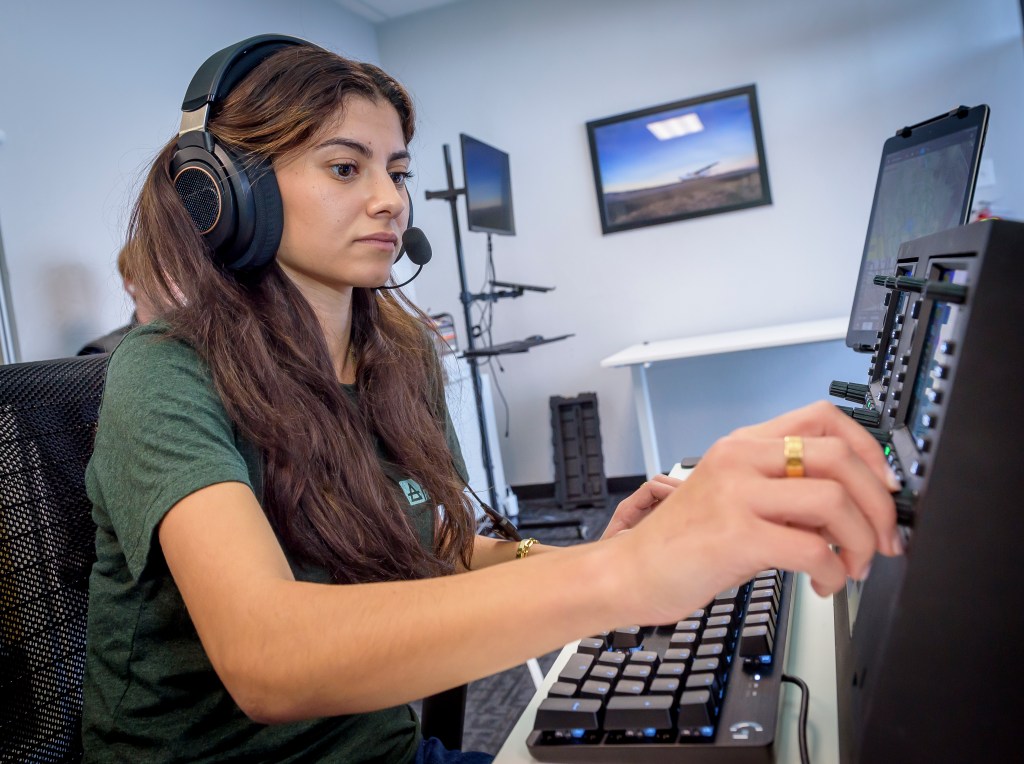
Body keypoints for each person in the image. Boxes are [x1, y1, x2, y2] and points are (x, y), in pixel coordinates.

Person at [81, 36, 902, 764]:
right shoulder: (164, 374)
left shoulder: (396, 359)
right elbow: (268, 660)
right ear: (223, 194)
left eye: (396, 171)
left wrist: (602, 556)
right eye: (345, 167)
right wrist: (627, 575)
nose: (391, 200)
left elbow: (436, 547)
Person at [77, 240, 157, 355]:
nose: (175, 278)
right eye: (156, 270)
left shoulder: (190, 339)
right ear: (130, 285)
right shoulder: (100, 351)